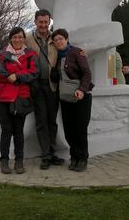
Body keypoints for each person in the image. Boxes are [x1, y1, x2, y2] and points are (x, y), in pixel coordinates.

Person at [0, 27, 39, 174]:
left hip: (21, 98)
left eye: (20, 37)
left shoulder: (30, 54)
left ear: (24, 39)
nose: (17, 40)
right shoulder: (1, 54)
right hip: (2, 98)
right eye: (14, 37)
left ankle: (19, 161)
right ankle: (4, 161)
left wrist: (17, 76)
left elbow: (34, 73)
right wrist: (19, 74)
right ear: (10, 39)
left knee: (18, 131)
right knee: (6, 130)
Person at [25, 9, 65, 169]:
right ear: (35, 22)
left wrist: (80, 53)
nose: (43, 25)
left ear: (49, 22)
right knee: (41, 121)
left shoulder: (55, 38)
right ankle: (45, 156)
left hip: (52, 86)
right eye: (40, 22)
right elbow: (12, 48)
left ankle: (53, 153)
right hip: (36, 85)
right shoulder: (28, 38)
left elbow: (66, 48)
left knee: (52, 121)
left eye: (46, 22)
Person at [52, 28, 94, 172]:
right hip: (65, 98)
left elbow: (87, 73)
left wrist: (82, 89)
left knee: (80, 129)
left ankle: (82, 158)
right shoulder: (55, 56)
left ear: (66, 39)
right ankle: (74, 156)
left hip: (80, 97)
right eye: (56, 40)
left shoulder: (77, 52)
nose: (58, 42)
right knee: (69, 130)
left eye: (60, 39)